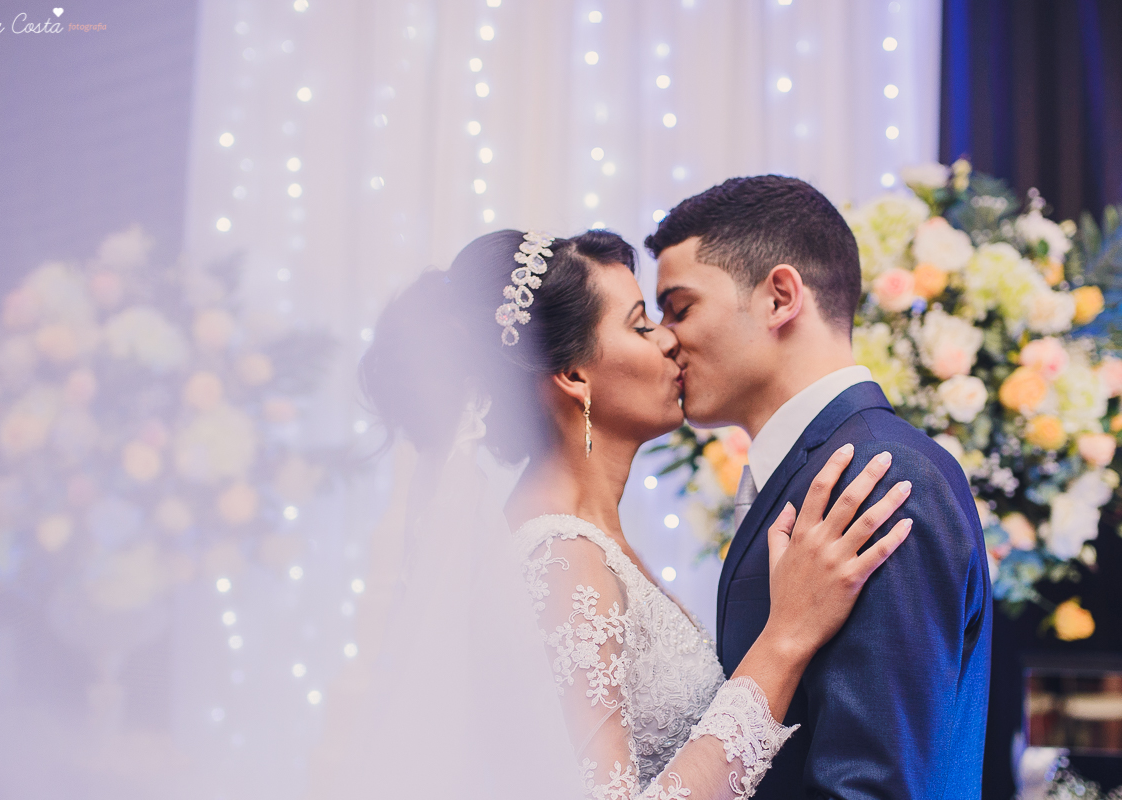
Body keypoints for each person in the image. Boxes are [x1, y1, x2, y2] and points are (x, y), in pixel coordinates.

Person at [353, 228, 913, 799]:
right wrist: (786, 638)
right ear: (574, 375)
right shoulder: (559, 559)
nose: (669, 339)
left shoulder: (592, 543)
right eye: (641, 324)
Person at [647, 176, 992, 799]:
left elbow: (873, 784)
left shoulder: (882, 474)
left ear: (780, 297)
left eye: (681, 307)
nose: (666, 336)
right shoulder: (820, 467)